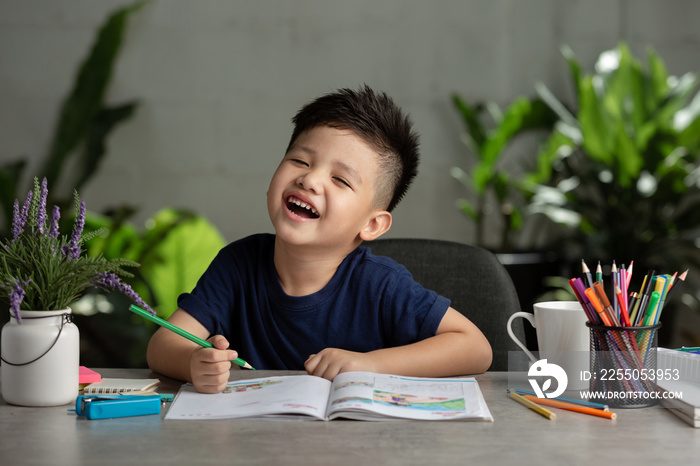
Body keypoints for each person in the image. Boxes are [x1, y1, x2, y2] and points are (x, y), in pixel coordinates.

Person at [147, 85, 492, 393]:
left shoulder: (382, 285)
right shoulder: (238, 264)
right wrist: (194, 361)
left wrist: (371, 364)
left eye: (341, 180)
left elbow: (475, 347)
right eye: (299, 160)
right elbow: (163, 344)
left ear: (372, 224)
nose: (310, 180)